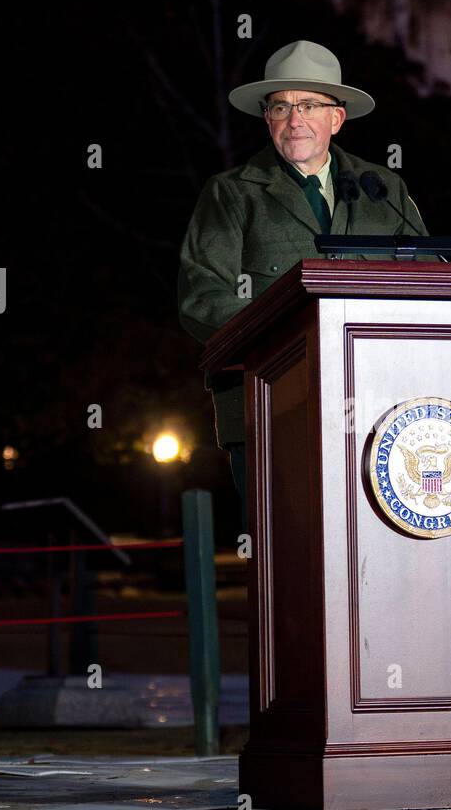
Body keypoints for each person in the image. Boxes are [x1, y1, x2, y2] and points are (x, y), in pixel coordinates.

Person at [177, 40, 430, 531]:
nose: (295, 120)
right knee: (289, 561)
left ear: (337, 118)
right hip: (271, 410)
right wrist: (287, 341)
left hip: (381, 409)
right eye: (281, 107)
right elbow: (200, 297)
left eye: (309, 105)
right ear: (267, 118)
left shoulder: (384, 189)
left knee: (373, 555)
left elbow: (426, 279)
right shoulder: (232, 193)